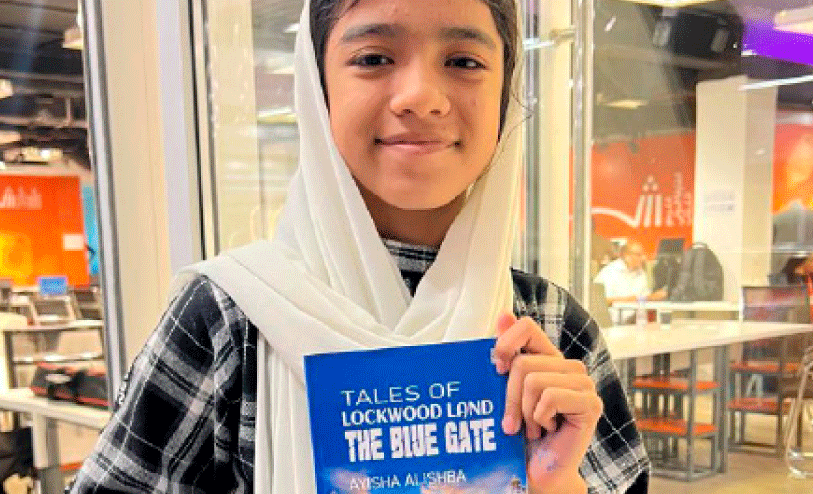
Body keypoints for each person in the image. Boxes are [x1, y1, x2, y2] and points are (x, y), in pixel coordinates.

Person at [69, 0, 649, 492]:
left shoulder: (549, 326)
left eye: (464, 61)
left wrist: (557, 483)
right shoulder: (233, 317)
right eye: (373, 58)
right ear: (317, 87)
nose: (421, 97)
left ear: (505, 92)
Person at [594, 239, 666, 324]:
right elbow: (602, 301)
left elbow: (643, 298)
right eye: (638, 255)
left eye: (642, 255)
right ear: (626, 255)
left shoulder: (641, 273)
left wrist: (654, 297)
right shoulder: (609, 272)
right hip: (613, 323)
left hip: (635, 322)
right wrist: (632, 299)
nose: (643, 258)